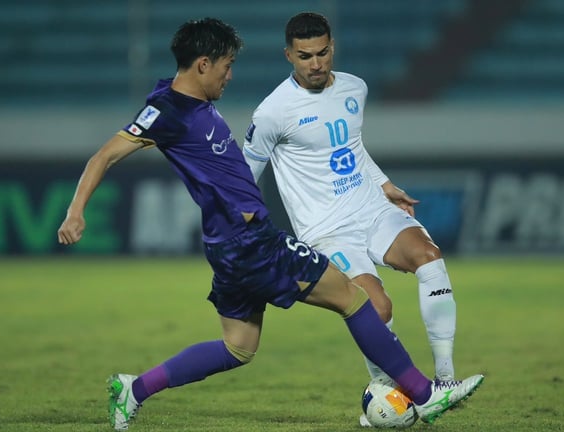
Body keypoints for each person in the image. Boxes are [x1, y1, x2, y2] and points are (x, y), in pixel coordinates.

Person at [57, 17, 483, 431]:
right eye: (226, 66)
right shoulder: (168, 111)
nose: (229, 76)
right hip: (250, 241)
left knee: (237, 347)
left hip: (228, 246)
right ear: (203, 64)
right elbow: (104, 156)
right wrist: (76, 211)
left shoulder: (185, 99)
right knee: (355, 300)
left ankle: (134, 389)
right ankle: (426, 394)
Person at [242, 12, 462, 427]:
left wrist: (384, 184)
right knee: (376, 306)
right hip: (327, 231)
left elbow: (354, 149)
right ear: (288, 55)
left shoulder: (354, 88)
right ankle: (386, 390)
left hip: (371, 208)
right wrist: (243, 226)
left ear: (332, 47)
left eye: (322, 52)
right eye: (304, 56)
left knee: (429, 257)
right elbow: (242, 176)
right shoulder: (273, 112)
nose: (315, 63)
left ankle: (446, 382)